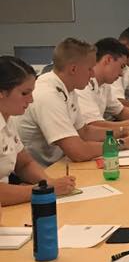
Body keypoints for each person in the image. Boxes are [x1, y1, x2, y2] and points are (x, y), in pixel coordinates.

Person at [16, 38, 129, 166]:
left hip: (58, 164)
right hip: (42, 172)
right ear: (73, 69)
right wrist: (123, 143)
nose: (93, 74)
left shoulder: (68, 88)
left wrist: (122, 131)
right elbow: (78, 152)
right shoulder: (48, 94)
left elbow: (84, 132)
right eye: (89, 69)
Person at [0, 56, 76, 205]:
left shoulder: (7, 119)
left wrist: (48, 182)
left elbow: (24, 164)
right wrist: (43, 190)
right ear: (1, 92)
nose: (31, 100)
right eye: (24, 93)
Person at [77, 38, 129, 132]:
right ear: (108, 60)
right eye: (122, 66)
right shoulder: (82, 84)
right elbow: (94, 125)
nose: (121, 74)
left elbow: (120, 111)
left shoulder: (104, 84)